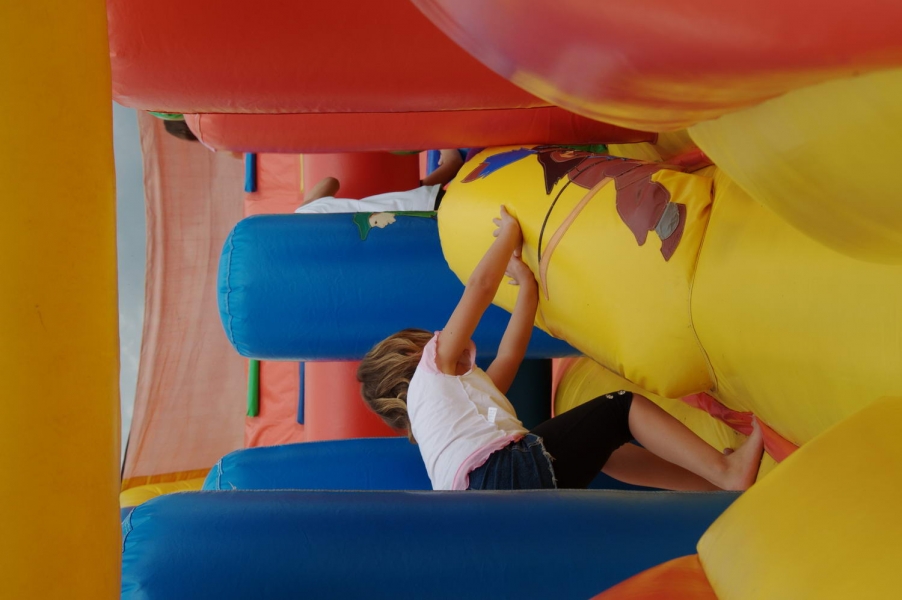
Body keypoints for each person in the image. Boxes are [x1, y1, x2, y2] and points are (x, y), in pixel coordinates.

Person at [357, 205, 764, 491]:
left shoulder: (456, 413)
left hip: (486, 510)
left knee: (601, 448)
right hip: (506, 472)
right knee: (621, 408)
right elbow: (479, 288)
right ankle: (726, 471)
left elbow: (510, 355)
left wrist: (527, 288)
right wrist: (508, 236)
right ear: (411, 353)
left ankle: (706, 486)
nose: (443, 339)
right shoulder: (432, 368)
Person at [295, 149, 464, 214]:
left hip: (419, 227)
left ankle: (451, 163)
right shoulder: (306, 212)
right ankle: (451, 159)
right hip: (420, 202)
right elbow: (330, 182)